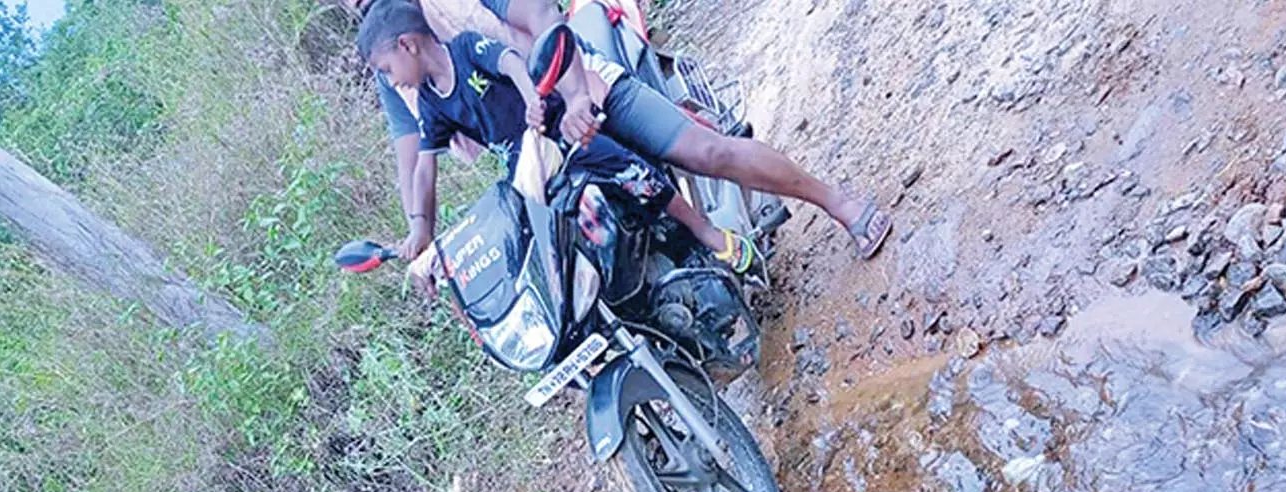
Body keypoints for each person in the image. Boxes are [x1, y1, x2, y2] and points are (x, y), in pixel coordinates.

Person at [349, 0, 894, 260]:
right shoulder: (398, 76)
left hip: (585, 85)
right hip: (541, 156)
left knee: (707, 152)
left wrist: (575, 93)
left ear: (406, 42)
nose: (363, 3)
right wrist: (418, 228)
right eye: (354, 4)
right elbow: (414, 156)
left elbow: (541, 15)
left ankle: (838, 203)